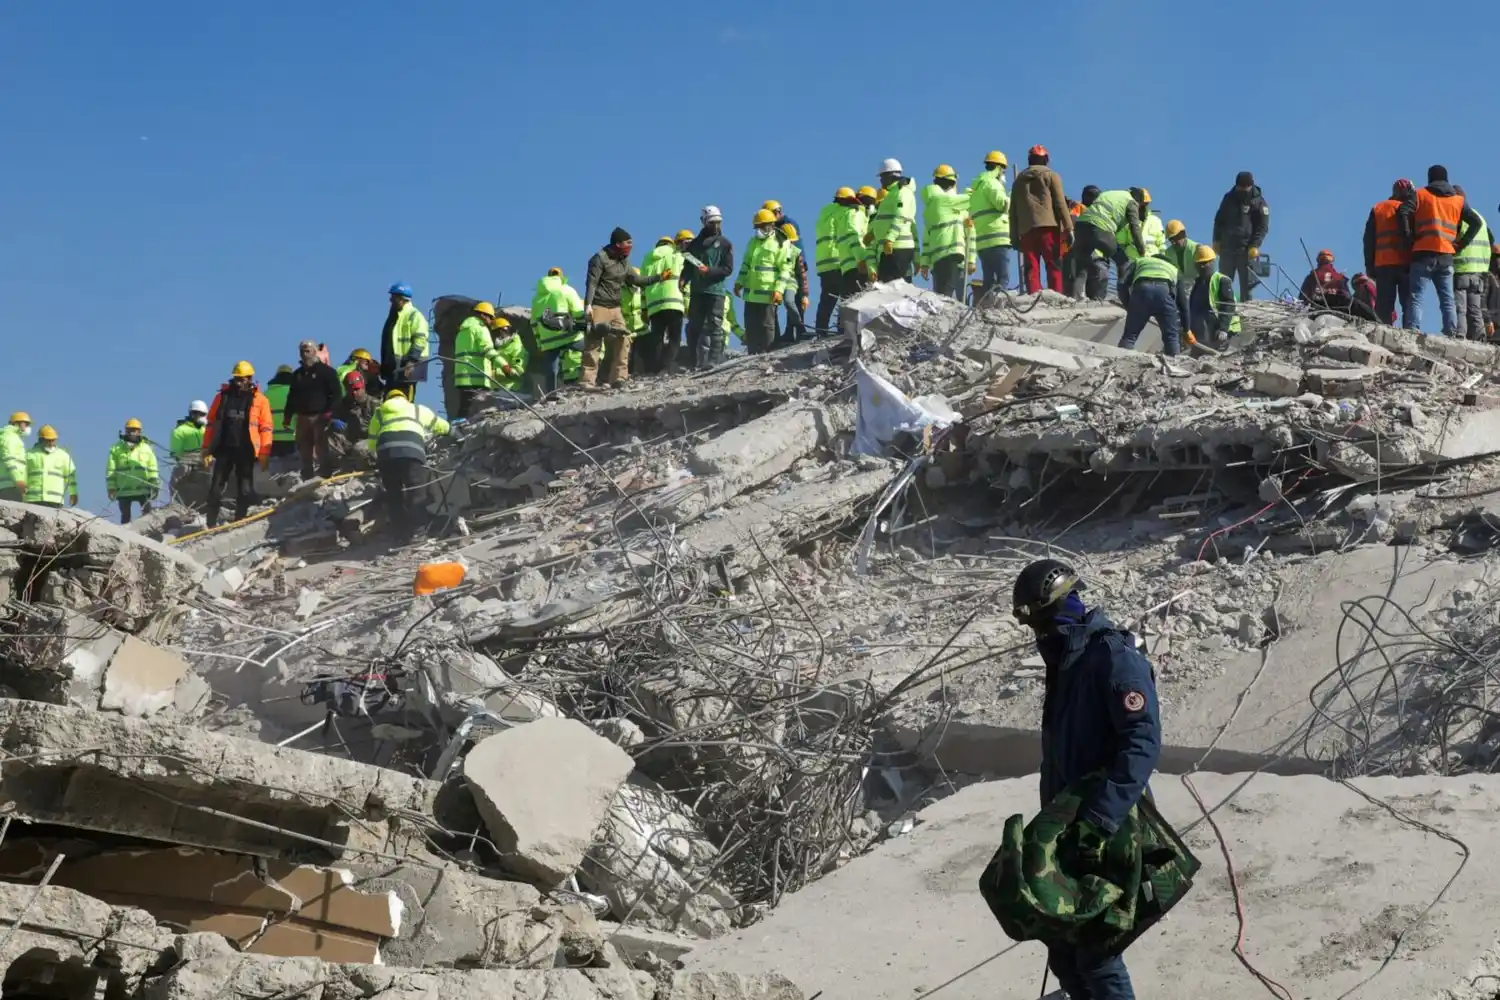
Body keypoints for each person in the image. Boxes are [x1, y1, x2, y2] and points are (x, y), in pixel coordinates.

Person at [1012, 558, 1160, 1000]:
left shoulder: (1112, 658)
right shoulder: (1066, 662)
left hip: (1107, 827)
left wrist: (1099, 818)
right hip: (1067, 826)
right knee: (1061, 943)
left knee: (1097, 950)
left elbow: (1142, 744)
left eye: (1042, 623)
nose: (1039, 636)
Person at [1397, 166, 1484, 336]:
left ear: (1430, 178)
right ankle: (1450, 331)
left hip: (1422, 251)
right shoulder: (1458, 201)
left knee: (1416, 296)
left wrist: (1408, 236)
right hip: (1446, 254)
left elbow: (1404, 210)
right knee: (1447, 299)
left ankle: (1413, 329)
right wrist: (1462, 243)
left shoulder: (1420, 194)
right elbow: (1476, 222)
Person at [582, 228, 668, 390]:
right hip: (599, 305)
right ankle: (587, 381)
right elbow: (591, 282)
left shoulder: (624, 262)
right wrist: (588, 305)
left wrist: (659, 277)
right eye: (627, 243)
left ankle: (619, 378)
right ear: (617, 243)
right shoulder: (600, 259)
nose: (630, 247)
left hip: (615, 307)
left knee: (623, 339)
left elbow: (635, 279)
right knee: (594, 342)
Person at [364, 388, 450, 542]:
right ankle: (418, 531)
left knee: (393, 494)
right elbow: (440, 425)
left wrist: (377, 455)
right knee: (416, 490)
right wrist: (452, 430)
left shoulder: (379, 412)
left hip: (386, 454)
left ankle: (399, 535)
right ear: (405, 398)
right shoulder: (416, 409)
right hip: (412, 452)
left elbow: (371, 442)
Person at [202, 361, 273, 529]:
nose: (239, 382)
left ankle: (239, 520)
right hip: (224, 449)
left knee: (245, 489)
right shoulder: (222, 397)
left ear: (250, 379)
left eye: (242, 379)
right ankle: (210, 523)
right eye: (237, 378)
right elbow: (211, 423)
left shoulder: (260, 400)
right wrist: (206, 449)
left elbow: (266, 427)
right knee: (216, 488)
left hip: (246, 450)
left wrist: (264, 452)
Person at [1010, 145, 1072, 293]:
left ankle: (1034, 295)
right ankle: (1055, 295)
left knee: (1031, 266)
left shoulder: (1018, 181)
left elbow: (1012, 211)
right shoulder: (1051, 175)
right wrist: (1069, 228)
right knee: (1053, 263)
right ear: (1046, 160)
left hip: (1026, 230)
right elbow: (1060, 203)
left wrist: (1013, 237)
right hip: (1048, 227)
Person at [1069, 189, 1148, 300]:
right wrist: (1141, 249)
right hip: (1100, 228)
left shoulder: (1110, 194)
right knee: (1123, 262)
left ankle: (1076, 297)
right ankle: (1124, 297)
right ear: (1138, 199)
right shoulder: (1131, 201)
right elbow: (1134, 227)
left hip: (1081, 226)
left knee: (1081, 266)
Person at [682, 206, 735, 369]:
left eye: (718, 223)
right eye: (712, 223)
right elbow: (688, 266)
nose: (716, 226)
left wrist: (710, 271)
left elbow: (728, 269)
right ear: (703, 221)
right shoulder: (695, 245)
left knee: (715, 326)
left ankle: (713, 360)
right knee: (693, 328)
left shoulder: (725, 244)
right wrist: (683, 279)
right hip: (697, 292)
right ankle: (693, 362)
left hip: (715, 291)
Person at [1363, 179, 1416, 329]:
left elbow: (1368, 239)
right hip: (1406, 264)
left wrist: (1369, 264)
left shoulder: (1379, 208)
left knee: (1384, 305)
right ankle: (1410, 332)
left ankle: (1383, 331)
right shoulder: (1412, 209)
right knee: (1409, 303)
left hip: (1383, 264)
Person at [284, 339, 340, 479]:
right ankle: (307, 476)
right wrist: (287, 416)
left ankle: (325, 475)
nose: (304, 354)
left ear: (315, 352)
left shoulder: (327, 372)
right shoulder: (297, 375)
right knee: (304, 448)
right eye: (302, 351)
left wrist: (330, 412)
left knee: (321, 447)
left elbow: (337, 393)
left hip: (320, 416)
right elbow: (292, 396)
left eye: (307, 351)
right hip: (302, 417)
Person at [1212, 171, 1270, 301]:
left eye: (1245, 187)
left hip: (1246, 251)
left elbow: (1262, 226)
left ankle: (1245, 311)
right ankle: (1224, 310)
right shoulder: (1229, 198)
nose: (1242, 190)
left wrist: (1255, 245)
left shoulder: (1258, 202)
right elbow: (1219, 220)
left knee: (1247, 287)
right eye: (1240, 187)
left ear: (1251, 186)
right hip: (1227, 249)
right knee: (1223, 284)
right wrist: (1216, 240)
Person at [527, 268, 586, 396]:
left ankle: (551, 395)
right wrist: (584, 325)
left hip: (548, 339)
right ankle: (591, 380)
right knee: (590, 349)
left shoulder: (537, 297)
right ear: (561, 277)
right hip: (568, 334)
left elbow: (533, 323)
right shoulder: (566, 289)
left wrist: (539, 343)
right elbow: (578, 311)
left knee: (551, 368)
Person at [919, 164, 973, 301]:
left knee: (940, 293)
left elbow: (926, 238)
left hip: (937, 258)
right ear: (953, 182)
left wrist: (924, 262)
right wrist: (971, 260)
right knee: (951, 296)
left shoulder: (930, 206)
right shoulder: (950, 202)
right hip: (953, 254)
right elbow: (971, 235)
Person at [736, 209, 784, 354]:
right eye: (757, 227)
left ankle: (767, 354)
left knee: (766, 325)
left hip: (767, 294)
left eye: (762, 226)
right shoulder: (753, 243)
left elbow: (785, 270)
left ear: (771, 225)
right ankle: (752, 354)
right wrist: (739, 282)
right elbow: (746, 264)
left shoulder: (779, 243)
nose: (759, 230)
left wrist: (779, 290)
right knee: (751, 325)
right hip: (750, 294)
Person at [1116, 253, 1183, 357]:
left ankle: (1118, 362)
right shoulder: (1173, 269)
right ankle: (1175, 365)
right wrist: (1187, 329)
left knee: (1129, 336)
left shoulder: (1140, 262)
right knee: (1171, 337)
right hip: (1164, 292)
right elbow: (1183, 302)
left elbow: (1121, 284)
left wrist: (1129, 306)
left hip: (1142, 290)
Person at [640, 233, 688, 372]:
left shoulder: (647, 259)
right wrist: (687, 303)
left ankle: (656, 368)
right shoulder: (677, 255)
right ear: (671, 244)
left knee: (657, 337)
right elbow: (685, 281)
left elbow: (642, 286)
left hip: (654, 304)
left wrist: (644, 308)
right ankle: (668, 366)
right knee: (674, 336)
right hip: (674, 301)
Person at [966, 151, 1012, 296]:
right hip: (997, 237)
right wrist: (1011, 198)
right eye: (1003, 169)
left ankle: (986, 304)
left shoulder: (976, 187)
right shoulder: (992, 183)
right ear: (999, 168)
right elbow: (1001, 204)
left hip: (982, 240)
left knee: (989, 279)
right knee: (1003, 277)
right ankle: (997, 306)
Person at [867, 158, 919, 282]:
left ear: (890, 176)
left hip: (898, 246)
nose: (880, 180)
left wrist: (890, 238)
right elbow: (886, 220)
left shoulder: (903, 192)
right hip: (891, 247)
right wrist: (874, 233)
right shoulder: (892, 193)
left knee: (891, 286)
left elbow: (900, 217)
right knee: (887, 284)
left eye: (882, 177)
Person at [813, 189, 856, 335]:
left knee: (826, 299)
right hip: (838, 259)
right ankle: (842, 328)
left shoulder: (825, 212)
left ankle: (821, 330)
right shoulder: (843, 212)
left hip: (823, 263)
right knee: (845, 297)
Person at [454, 301, 505, 417]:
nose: (491, 321)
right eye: (490, 317)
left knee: (465, 406)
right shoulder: (480, 329)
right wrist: (504, 365)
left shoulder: (462, 330)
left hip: (463, 377)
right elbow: (488, 350)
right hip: (477, 377)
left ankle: (457, 428)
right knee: (480, 408)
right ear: (483, 315)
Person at [1452, 186, 1491, 340]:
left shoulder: (1458, 217)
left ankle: (1460, 335)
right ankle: (1480, 336)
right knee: (1475, 307)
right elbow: (1491, 241)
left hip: (1462, 268)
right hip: (1479, 271)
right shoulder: (1479, 217)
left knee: (1460, 307)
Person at [381, 283, 430, 401]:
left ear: (401, 299)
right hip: (396, 368)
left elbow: (420, 340)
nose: (390, 300)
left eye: (393, 297)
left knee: (406, 401)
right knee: (391, 400)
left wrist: (412, 361)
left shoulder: (414, 316)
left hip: (409, 368)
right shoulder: (394, 317)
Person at [105, 418, 159, 524]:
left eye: (135, 430)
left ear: (139, 431)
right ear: (126, 431)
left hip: (143, 490)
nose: (132, 433)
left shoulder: (146, 448)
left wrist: (154, 485)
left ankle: (147, 538)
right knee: (125, 518)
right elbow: (111, 470)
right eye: (130, 430)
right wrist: (111, 487)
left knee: (147, 517)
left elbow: (152, 468)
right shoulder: (116, 449)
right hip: (123, 491)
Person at [1115, 192, 1164, 308]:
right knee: (1133, 290)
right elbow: (1121, 243)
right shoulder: (1126, 221)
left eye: (1146, 204)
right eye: (1143, 204)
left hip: (1151, 263)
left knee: (1150, 289)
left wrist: (1162, 260)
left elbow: (1161, 244)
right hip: (1132, 263)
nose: (1144, 207)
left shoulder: (1155, 221)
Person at [1188, 244, 1239, 346]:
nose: (1202, 266)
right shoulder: (1197, 283)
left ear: (1212, 262)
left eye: (1205, 263)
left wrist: (1223, 329)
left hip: (1222, 330)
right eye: (1199, 263)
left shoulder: (1222, 280)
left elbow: (1228, 305)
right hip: (1203, 331)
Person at [327, 370, 380, 467]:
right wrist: (333, 421)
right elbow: (331, 419)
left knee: (359, 448)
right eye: (350, 390)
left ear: (363, 387)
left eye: (357, 389)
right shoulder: (343, 404)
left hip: (370, 440)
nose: (354, 393)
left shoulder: (374, 404)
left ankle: (370, 465)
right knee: (328, 440)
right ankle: (341, 464)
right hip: (351, 439)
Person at [837, 188, 876, 316]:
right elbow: (854, 236)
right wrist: (861, 259)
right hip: (855, 263)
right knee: (856, 300)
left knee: (849, 300)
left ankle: (844, 330)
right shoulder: (856, 213)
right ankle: (851, 332)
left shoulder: (856, 214)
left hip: (848, 263)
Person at [24, 426, 77, 509]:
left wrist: (73, 493)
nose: (51, 443)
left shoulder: (63, 455)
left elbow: (71, 476)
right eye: (48, 440)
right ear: (40, 440)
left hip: (55, 500)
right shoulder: (28, 455)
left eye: (53, 440)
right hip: (33, 499)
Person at [775, 223, 811, 344]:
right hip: (776, 283)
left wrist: (805, 295)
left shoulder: (796, 251)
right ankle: (785, 335)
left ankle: (801, 328)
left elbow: (802, 275)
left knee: (789, 302)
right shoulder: (774, 250)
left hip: (791, 282)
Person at [1162, 220, 1199, 331]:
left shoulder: (1196, 248)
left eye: (1176, 238)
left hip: (1195, 286)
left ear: (1183, 234)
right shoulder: (1168, 253)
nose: (1174, 242)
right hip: (1179, 287)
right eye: (1171, 240)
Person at [263, 364, 296, 460]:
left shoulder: (266, 394)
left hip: (271, 440)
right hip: (292, 439)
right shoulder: (295, 392)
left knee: (274, 470)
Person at [0, 412, 32, 502]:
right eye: (26, 424)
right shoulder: (10, 437)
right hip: (10, 485)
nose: (27, 427)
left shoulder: (13, 437)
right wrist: (19, 481)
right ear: (17, 423)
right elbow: (9, 460)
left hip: (11, 485)